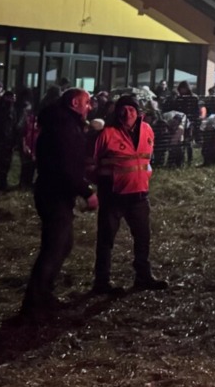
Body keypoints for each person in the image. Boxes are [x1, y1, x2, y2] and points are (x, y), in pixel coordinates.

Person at [21, 88, 98, 322]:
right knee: (54, 248)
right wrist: (87, 192)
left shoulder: (64, 124)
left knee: (62, 245)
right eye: (86, 102)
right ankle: (34, 304)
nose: (90, 107)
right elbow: (65, 165)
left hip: (56, 192)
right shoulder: (64, 127)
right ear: (75, 103)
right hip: (54, 194)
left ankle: (44, 296)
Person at [91, 94, 167, 294]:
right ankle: (101, 282)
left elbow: (146, 160)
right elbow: (92, 163)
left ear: (138, 112)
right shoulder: (107, 134)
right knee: (106, 240)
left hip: (139, 195)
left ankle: (143, 277)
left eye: (131, 109)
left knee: (143, 237)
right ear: (117, 112)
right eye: (123, 110)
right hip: (112, 196)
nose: (128, 114)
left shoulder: (147, 130)